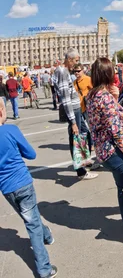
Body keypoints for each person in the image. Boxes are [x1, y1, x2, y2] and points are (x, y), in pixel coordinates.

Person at [0, 100, 58, 278]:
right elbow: (31, 154)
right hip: (22, 182)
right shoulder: (10, 130)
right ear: (1, 111)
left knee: (29, 216)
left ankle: (47, 235)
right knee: (31, 222)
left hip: (6, 188)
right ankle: (44, 268)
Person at [86, 58, 123, 230]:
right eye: (112, 71)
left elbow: (107, 119)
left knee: (122, 187)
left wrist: (115, 97)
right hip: (114, 150)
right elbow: (116, 130)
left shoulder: (92, 95)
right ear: (107, 74)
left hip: (103, 151)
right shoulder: (105, 97)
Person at [55, 49, 98, 180]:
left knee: (85, 133)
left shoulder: (65, 71)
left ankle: (85, 162)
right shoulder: (62, 72)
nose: (76, 64)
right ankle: (81, 171)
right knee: (76, 139)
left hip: (76, 109)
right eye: (76, 60)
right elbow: (65, 98)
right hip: (73, 110)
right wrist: (73, 122)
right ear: (69, 59)